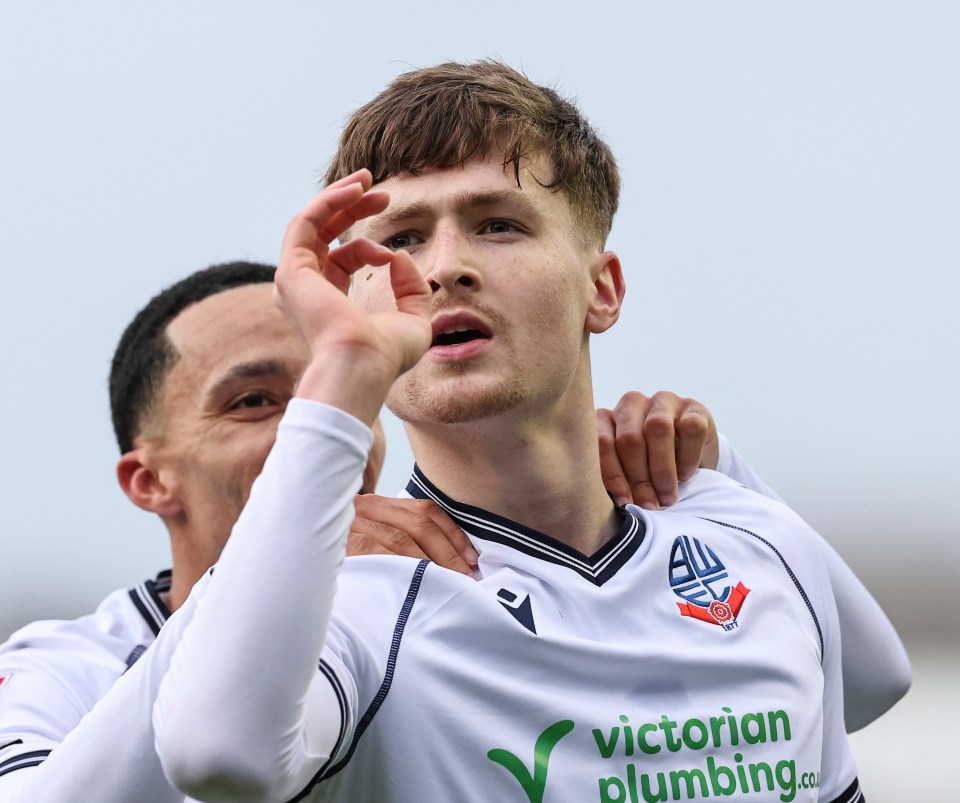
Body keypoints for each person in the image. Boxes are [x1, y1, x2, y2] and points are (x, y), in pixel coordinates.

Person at [151, 61, 908, 802]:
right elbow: (218, 759)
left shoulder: (753, 537)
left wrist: (716, 466)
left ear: (602, 288)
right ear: (353, 300)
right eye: (405, 238)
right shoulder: (352, 603)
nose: (447, 266)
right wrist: (343, 373)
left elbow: (878, 682)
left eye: (499, 225)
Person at [0, 261, 726, 800]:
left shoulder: (453, 602)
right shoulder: (64, 671)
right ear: (148, 480)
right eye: (255, 402)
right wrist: (262, 572)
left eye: (345, 386)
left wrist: (710, 478)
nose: (316, 429)